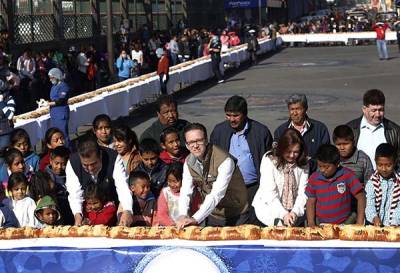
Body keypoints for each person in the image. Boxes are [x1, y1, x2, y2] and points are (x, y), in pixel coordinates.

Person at [177, 123, 249, 228]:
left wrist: (195, 218)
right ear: (187, 145)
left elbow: (217, 194)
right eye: (191, 142)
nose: (195, 145)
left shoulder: (225, 161)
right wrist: (183, 214)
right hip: (213, 214)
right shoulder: (188, 162)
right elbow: (186, 190)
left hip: (237, 214)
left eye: (199, 140)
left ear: (206, 141)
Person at [210, 95, 273, 205]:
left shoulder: (261, 132)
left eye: (236, 115)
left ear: (245, 114)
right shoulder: (219, 131)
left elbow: (270, 161)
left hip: (255, 188)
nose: (232, 119)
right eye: (228, 115)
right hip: (229, 189)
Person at [65, 136, 133, 226]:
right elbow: (75, 194)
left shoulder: (113, 157)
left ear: (100, 155)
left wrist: (127, 210)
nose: (90, 168)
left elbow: (123, 188)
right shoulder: (73, 162)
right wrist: (77, 215)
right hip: (89, 208)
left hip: (113, 203)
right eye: (85, 165)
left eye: (93, 164)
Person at [252, 128, 309, 226]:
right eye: (288, 151)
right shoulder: (269, 160)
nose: (292, 156)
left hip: (293, 215)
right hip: (268, 213)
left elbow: (303, 191)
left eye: (296, 152)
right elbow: (269, 193)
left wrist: (295, 212)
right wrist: (283, 214)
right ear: (282, 148)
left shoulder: (303, 163)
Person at [306, 144, 366, 226]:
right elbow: (310, 202)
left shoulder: (347, 175)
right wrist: (311, 224)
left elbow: (361, 197)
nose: (323, 170)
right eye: (320, 166)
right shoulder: (314, 178)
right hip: (321, 225)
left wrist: (359, 222)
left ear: (337, 163)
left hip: (345, 224)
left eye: (327, 167)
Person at [347, 89, 400, 169]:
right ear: (364, 109)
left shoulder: (394, 130)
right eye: (374, 110)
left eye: (381, 110)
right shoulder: (350, 129)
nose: (378, 114)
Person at [274, 93, 330, 165]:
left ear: (305, 109)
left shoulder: (320, 129)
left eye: (298, 109)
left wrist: (310, 164)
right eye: (292, 109)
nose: (294, 113)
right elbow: (277, 155)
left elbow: (326, 156)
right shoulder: (280, 131)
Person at [365, 144, 400, 226]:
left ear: (394, 163)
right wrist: (374, 217)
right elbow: (370, 204)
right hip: (375, 225)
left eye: (388, 165)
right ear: (375, 162)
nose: (384, 169)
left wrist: (394, 222)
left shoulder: (398, 182)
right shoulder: (372, 182)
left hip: (395, 226)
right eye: (380, 165)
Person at [44, 147, 73, 225]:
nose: (60, 167)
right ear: (50, 161)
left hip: (70, 208)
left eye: (63, 164)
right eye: (56, 163)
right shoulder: (46, 176)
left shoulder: (71, 174)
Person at [46, 68, 70, 146]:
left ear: (57, 76)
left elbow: (61, 100)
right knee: (55, 135)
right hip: (54, 115)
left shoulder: (63, 86)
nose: (50, 80)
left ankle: (68, 150)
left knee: (63, 135)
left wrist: (48, 104)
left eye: (52, 78)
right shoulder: (53, 87)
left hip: (61, 114)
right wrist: (46, 102)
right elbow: (53, 99)